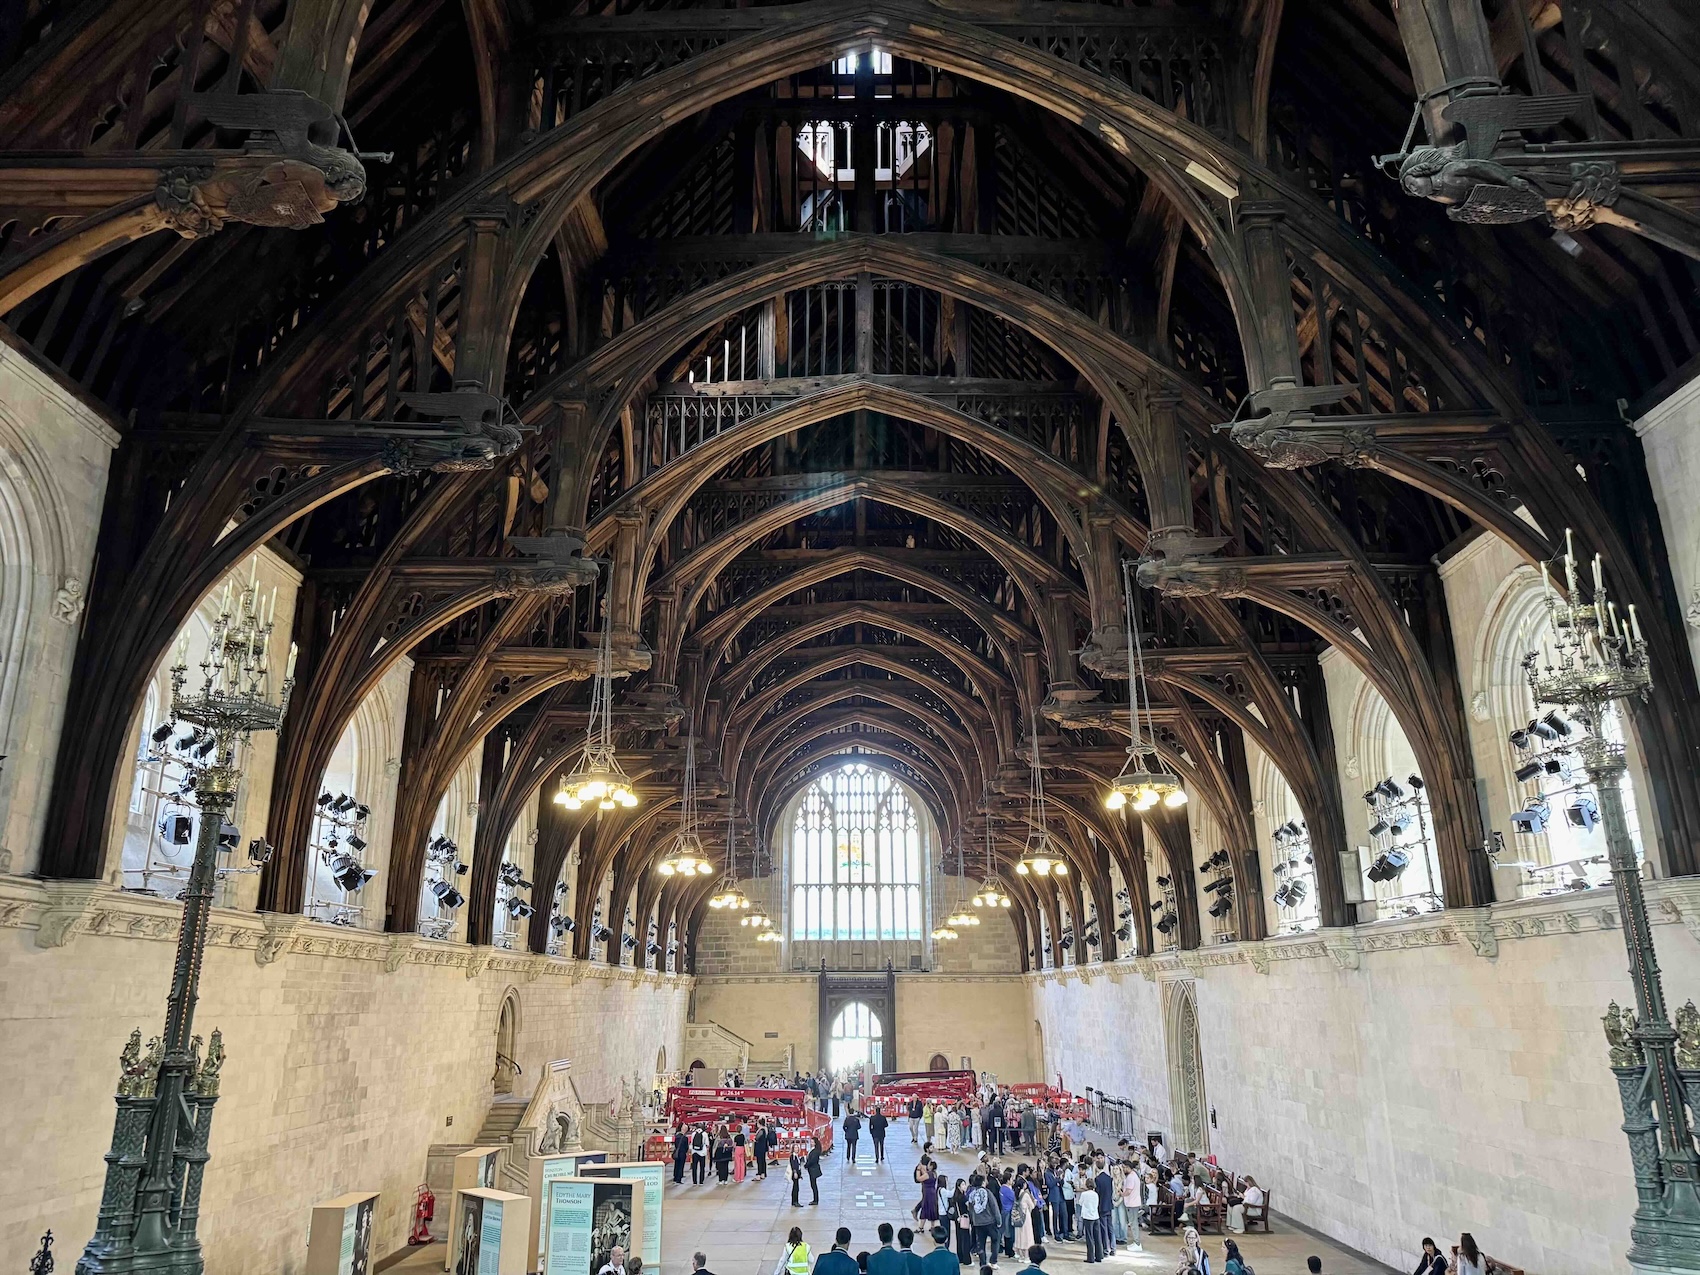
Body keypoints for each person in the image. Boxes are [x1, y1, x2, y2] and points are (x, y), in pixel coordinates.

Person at [968, 1173, 1000, 1268]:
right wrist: (998, 1220)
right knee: (996, 1239)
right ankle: (993, 1261)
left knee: (980, 1244)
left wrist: (973, 1220)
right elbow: (994, 1207)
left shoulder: (972, 1194)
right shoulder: (987, 1192)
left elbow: (970, 1209)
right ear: (982, 1182)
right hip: (989, 1222)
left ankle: (983, 1263)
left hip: (978, 1223)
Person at [1076, 1170, 1101, 1263]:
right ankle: (1099, 1256)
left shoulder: (1084, 1194)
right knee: (1097, 1237)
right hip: (1096, 1216)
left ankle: (1090, 1258)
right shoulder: (1096, 1194)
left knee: (1089, 1238)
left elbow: (1080, 1203)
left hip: (1087, 1217)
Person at [919, 1158, 941, 1224]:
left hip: (927, 1193)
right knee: (932, 1209)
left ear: (931, 1166)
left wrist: (918, 1170)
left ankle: (921, 1227)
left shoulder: (928, 1174)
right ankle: (932, 1226)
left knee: (925, 1208)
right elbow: (925, 1173)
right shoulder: (934, 1173)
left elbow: (919, 1178)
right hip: (932, 1193)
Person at [806, 1135, 824, 1204]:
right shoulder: (812, 1149)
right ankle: (815, 1199)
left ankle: (815, 1200)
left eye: (812, 1142)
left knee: (813, 1185)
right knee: (813, 1184)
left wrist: (806, 1165)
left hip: (813, 1169)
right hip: (811, 1169)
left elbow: (812, 1160)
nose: (811, 1143)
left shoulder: (815, 1151)